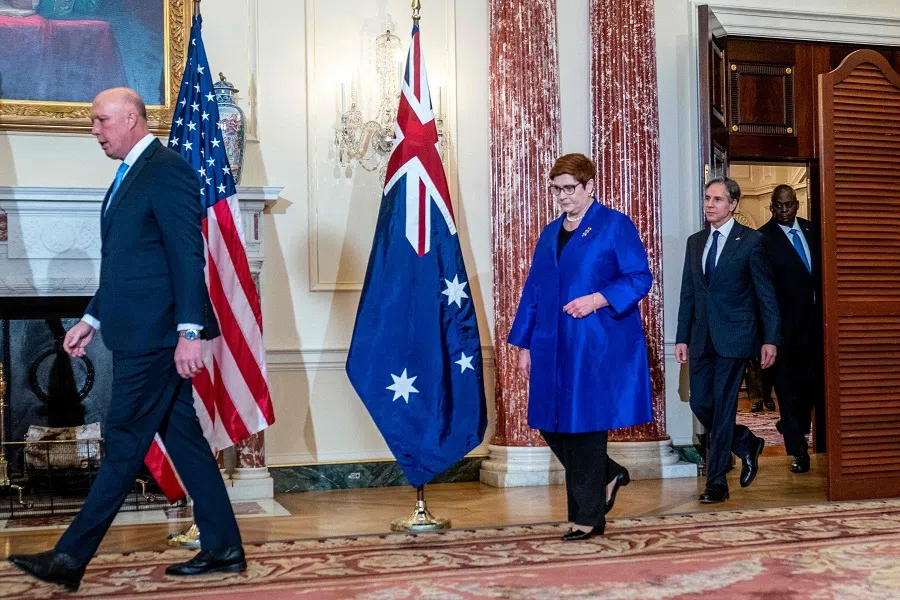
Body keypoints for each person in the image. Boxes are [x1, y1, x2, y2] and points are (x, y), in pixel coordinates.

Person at [8, 88, 245, 592]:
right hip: (138, 331)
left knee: (120, 444)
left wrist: (189, 332)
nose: (94, 130)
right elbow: (128, 265)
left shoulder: (168, 171)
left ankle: (69, 558)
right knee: (185, 440)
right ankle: (224, 547)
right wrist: (91, 318)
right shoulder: (128, 174)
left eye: (102, 121)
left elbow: (187, 257)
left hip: (157, 338)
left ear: (133, 119)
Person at [509, 153, 653, 541]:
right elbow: (533, 290)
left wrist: (598, 299)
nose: (562, 196)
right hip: (551, 343)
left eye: (569, 188)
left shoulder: (614, 225)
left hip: (595, 344)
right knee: (549, 422)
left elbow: (640, 278)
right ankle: (608, 474)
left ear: (590, 186)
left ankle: (587, 518)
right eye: (556, 189)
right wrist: (523, 344)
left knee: (585, 427)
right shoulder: (548, 233)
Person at [675, 177, 780, 504]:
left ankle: (716, 482)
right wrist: (681, 338)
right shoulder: (695, 242)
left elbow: (766, 295)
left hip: (735, 337)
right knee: (699, 403)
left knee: (721, 407)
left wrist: (770, 339)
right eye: (707, 198)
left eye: (717, 199)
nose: (710, 204)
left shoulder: (751, 242)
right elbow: (688, 294)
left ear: (732, 204)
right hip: (700, 338)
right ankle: (746, 441)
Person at [759, 184, 821, 473]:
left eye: (789, 205)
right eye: (778, 205)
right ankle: (799, 452)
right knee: (786, 389)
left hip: (813, 328)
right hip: (782, 329)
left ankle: (789, 424)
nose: (784, 211)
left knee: (811, 387)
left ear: (797, 205)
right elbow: (763, 290)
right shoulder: (763, 238)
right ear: (771, 206)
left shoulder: (813, 230)